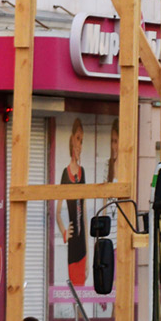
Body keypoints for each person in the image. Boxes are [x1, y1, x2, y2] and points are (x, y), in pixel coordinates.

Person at [57, 118, 88, 288]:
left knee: (81, 289)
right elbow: (58, 211)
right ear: (71, 139)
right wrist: (63, 231)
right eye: (78, 139)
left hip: (82, 245)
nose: (79, 145)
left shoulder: (82, 173)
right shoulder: (65, 174)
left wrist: (89, 255)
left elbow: (83, 212)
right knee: (74, 290)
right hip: (72, 247)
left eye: (82, 141)